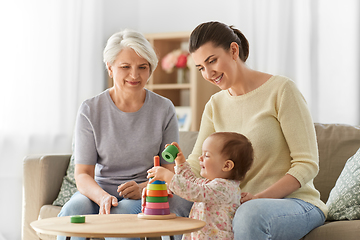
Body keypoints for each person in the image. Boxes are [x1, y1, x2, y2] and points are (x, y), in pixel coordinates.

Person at [186, 21, 328, 240]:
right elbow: (197, 162)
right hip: (238, 203)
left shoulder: (281, 90)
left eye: (212, 61)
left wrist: (259, 198)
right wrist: (162, 184)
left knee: (248, 215)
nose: (208, 73)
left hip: (294, 203)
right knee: (173, 200)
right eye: (201, 68)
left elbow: (307, 164)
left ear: (234, 50)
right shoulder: (215, 104)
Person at [57, 29, 192, 240]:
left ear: (151, 69)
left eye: (142, 67)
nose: (134, 75)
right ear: (110, 68)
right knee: (73, 210)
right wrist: (102, 197)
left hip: (145, 192)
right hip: (98, 191)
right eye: (125, 67)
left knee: (121, 215)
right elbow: (82, 174)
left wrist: (145, 188)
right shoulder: (90, 109)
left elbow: (168, 171)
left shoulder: (164, 109)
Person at [146, 132, 254, 239]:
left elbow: (193, 191)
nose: (200, 158)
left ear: (226, 165)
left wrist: (168, 176)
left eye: (206, 155)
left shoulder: (224, 189)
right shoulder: (211, 184)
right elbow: (191, 181)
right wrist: (180, 161)